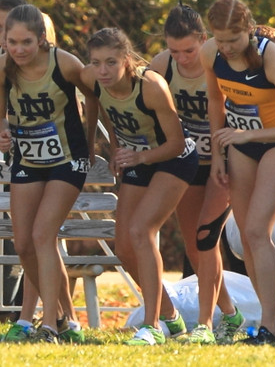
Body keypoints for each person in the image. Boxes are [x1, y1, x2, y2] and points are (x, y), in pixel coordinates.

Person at [0, 4, 99, 343]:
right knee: (23, 244)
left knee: (43, 235)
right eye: (12, 42)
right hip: (29, 159)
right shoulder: (1, 67)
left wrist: (90, 142)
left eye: (26, 42)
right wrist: (2, 136)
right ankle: (67, 318)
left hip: (67, 159)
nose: (18, 49)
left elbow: (93, 96)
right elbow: (0, 116)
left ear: (42, 40)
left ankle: (47, 324)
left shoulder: (64, 63)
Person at [202, 0, 275, 345]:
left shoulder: (272, 58)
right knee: (246, 238)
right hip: (239, 145)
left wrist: (248, 134)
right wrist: (219, 153)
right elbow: (216, 101)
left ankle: (269, 326)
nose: (226, 47)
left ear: (249, 30)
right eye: (220, 40)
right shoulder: (210, 53)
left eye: (233, 40)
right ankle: (271, 318)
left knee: (256, 230)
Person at [81, 27, 197, 346]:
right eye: (96, 62)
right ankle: (171, 317)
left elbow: (176, 143)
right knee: (124, 247)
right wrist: (98, 145)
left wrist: (139, 155)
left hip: (172, 158)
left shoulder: (151, 86)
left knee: (141, 231)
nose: (102, 71)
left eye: (110, 63)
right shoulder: (93, 79)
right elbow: (100, 107)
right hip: (137, 159)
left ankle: (152, 326)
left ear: (126, 60)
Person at [147, 4, 245, 344]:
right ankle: (231, 314)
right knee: (193, 245)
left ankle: (205, 324)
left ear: (203, 40)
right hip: (186, 164)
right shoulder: (161, 66)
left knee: (206, 238)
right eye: (175, 51)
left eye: (189, 50)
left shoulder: (221, 61)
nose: (183, 57)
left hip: (224, 163)